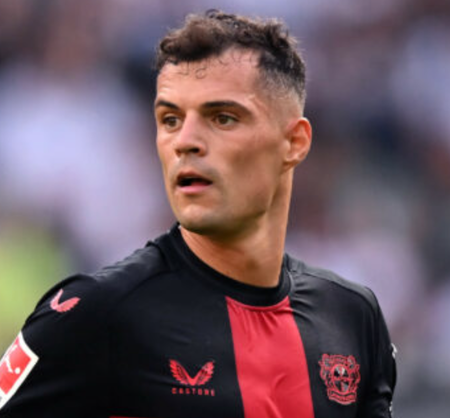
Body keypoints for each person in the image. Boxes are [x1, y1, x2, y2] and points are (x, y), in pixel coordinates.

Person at [0, 10, 396, 418]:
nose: (185, 141)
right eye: (170, 120)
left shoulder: (353, 316)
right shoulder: (95, 312)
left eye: (222, 118)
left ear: (294, 143)